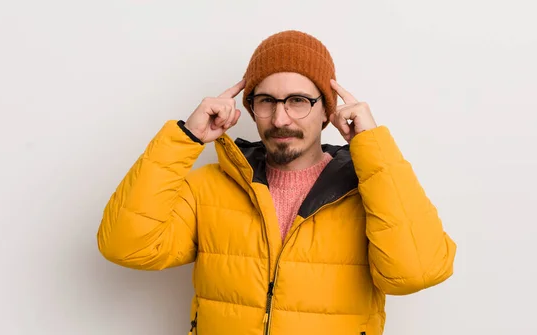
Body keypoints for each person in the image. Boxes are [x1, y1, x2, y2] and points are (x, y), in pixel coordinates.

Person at [97, 30, 456, 335]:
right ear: (251, 108)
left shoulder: (370, 192)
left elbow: (416, 272)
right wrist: (186, 138)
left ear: (328, 110)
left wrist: (373, 146)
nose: (280, 118)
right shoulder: (208, 187)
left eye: (298, 100)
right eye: (267, 101)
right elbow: (125, 245)